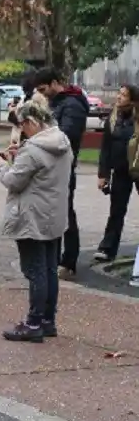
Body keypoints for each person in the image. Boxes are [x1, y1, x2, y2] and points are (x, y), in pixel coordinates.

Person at [0, 100, 73, 342]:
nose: (20, 130)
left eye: (21, 125)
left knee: (34, 270)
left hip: (31, 215)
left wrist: (1, 165)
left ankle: (33, 322)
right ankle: (48, 320)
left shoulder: (32, 150)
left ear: (30, 122)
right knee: (49, 269)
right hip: (54, 213)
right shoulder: (62, 141)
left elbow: (13, 181)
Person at [33, 69, 88, 279]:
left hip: (64, 165)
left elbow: (66, 136)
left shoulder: (72, 104)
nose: (43, 94)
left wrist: (41, 134)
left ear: (55, 83)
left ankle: (69, 261)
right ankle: (53, 258)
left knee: (65, 213)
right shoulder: (57, 102)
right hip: (51, 165)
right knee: (53, 212)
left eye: (43, 89)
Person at [94, 84, 139, 262]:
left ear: (133, 99)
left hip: (138, 170)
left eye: (124, 95)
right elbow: (105, 148)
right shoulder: (113, 118)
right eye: (119, 93)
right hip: (120, 171)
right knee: (116, 211)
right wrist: (102, 174)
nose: (119, 97)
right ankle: (107, 248)